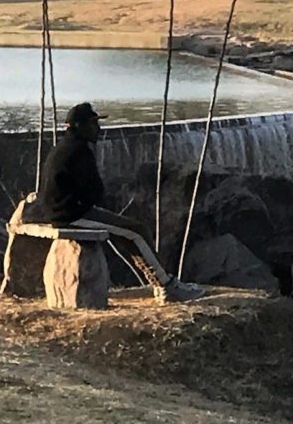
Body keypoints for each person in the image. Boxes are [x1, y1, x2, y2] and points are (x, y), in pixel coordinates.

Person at [27, 102, 203, 302]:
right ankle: (166, 286)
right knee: (136, 231)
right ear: (78, 126)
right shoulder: (79, 152)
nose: (98, 129)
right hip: (70, 215)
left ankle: (161, 282)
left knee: (128, 231)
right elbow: (95, 190)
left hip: (63, 211)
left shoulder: (66, 147)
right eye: (93, 124)